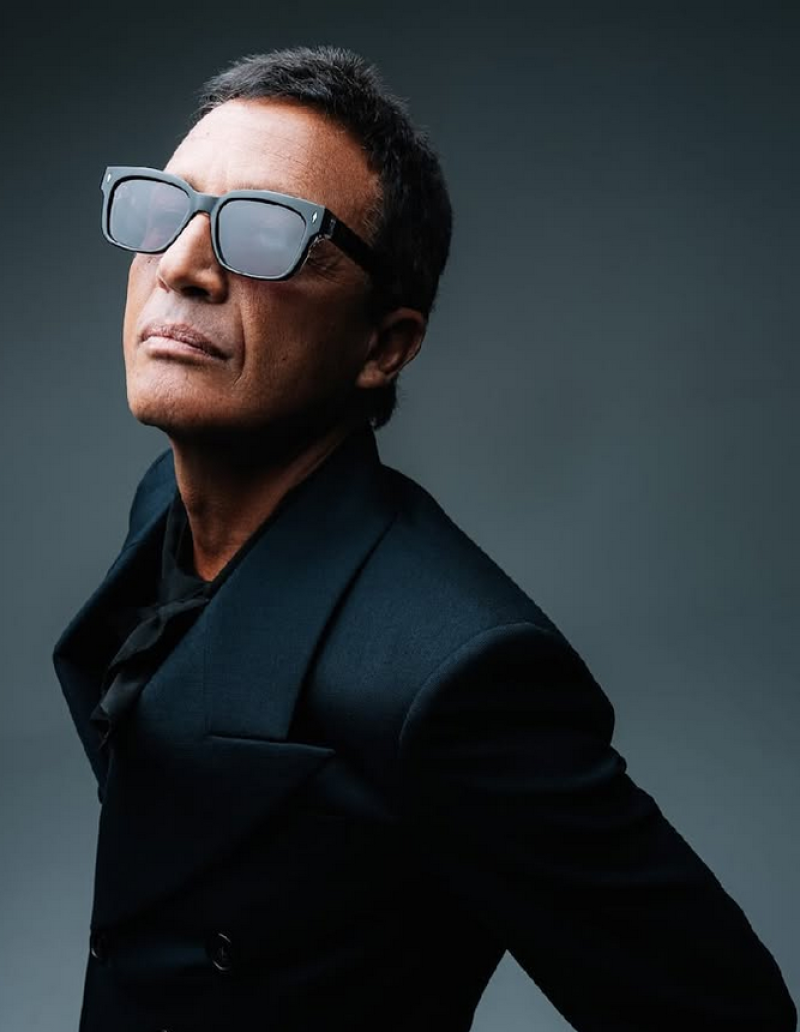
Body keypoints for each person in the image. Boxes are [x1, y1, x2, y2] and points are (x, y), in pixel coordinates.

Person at [53, 45, 796, 1032]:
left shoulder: (451, 676)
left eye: (264, 232)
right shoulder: (167, 508)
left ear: (385, 345)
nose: (183, 267)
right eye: (165, 208)